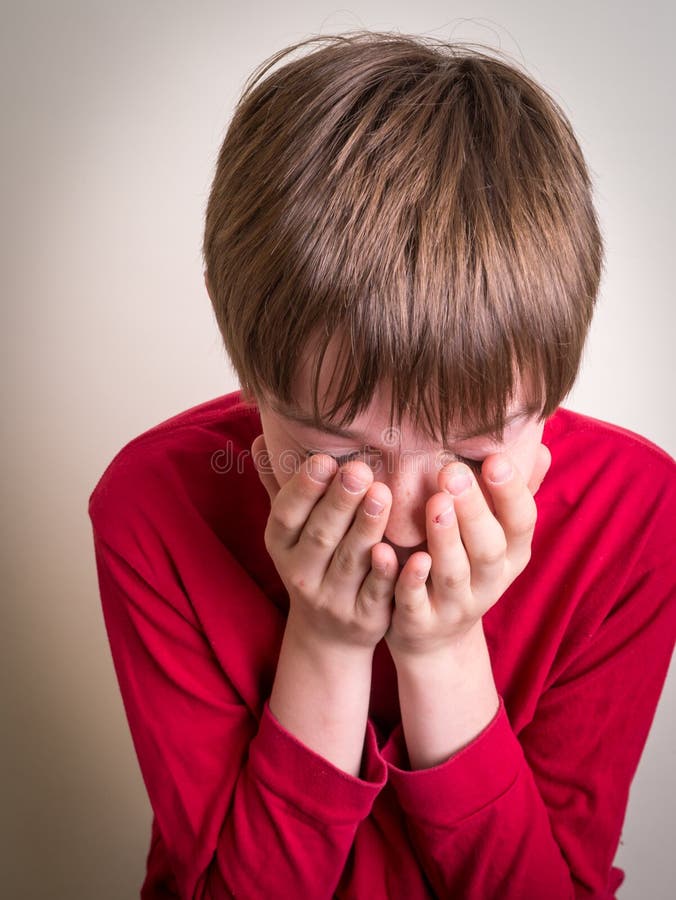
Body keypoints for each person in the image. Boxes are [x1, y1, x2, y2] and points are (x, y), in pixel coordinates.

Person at [88, 31, 676, 899]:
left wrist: (441, 652)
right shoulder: (154, 507)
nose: (401, 519)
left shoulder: (638, 514)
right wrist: (325, 640)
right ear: (251, 382)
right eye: (336, 451)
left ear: (547, 400)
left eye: (474, 454)